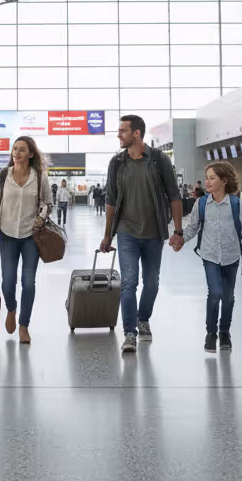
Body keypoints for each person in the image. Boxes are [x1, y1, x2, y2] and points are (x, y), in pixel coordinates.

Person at [100, 115, 183, 354]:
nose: (118, 135)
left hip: (154, 231)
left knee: (152, 283)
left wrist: (177, 231)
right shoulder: (116, 163)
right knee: (128, 282)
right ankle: (129, 333)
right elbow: (111, 202)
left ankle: (143, 317)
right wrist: (108, 235)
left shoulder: (158, 160)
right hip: (126, 232)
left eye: (122, 130)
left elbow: (174, 196)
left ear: (136, 133)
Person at [0, 136, 52, 344]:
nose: (16, 153)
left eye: (22, 150)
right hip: (7, 235)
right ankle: (11, 308)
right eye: (14, 149)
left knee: (28, 282)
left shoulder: (40, 176)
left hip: (31, 236)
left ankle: (24, 325)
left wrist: (41, 217)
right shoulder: (3, 175)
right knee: (8, 283)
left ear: (30, 154)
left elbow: (48, 203)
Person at [180, 161, 242, 353]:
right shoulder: (200, 204)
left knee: (228, 297)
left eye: (212, 178)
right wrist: (180, 239)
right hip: (209, 255)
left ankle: (225, 332)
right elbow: (192, 227)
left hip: (232, 256)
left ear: (224, 181)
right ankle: (211, 333)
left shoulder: (235, 204)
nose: (207, 182)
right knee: (215, 293)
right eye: (207, 178)